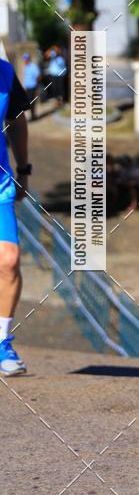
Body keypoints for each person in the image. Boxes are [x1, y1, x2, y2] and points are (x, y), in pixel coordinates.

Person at [0, 58, 32, 375]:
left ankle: (1, 343)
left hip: (0, 186)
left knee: (9, 260)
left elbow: (18, 121)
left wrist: (24, 169)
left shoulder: (5, 74)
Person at [22, 53, 41, 120]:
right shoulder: (25, 67)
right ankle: (32, 115)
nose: (24, 61)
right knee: (29, 102)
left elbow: (38, 76)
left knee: (32, 102)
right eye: (24, 59)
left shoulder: (33, 67)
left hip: (33, 87)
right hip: (28, 87)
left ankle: (33, 116)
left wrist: (36, 86)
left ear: (28, 59)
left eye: (26, 59)